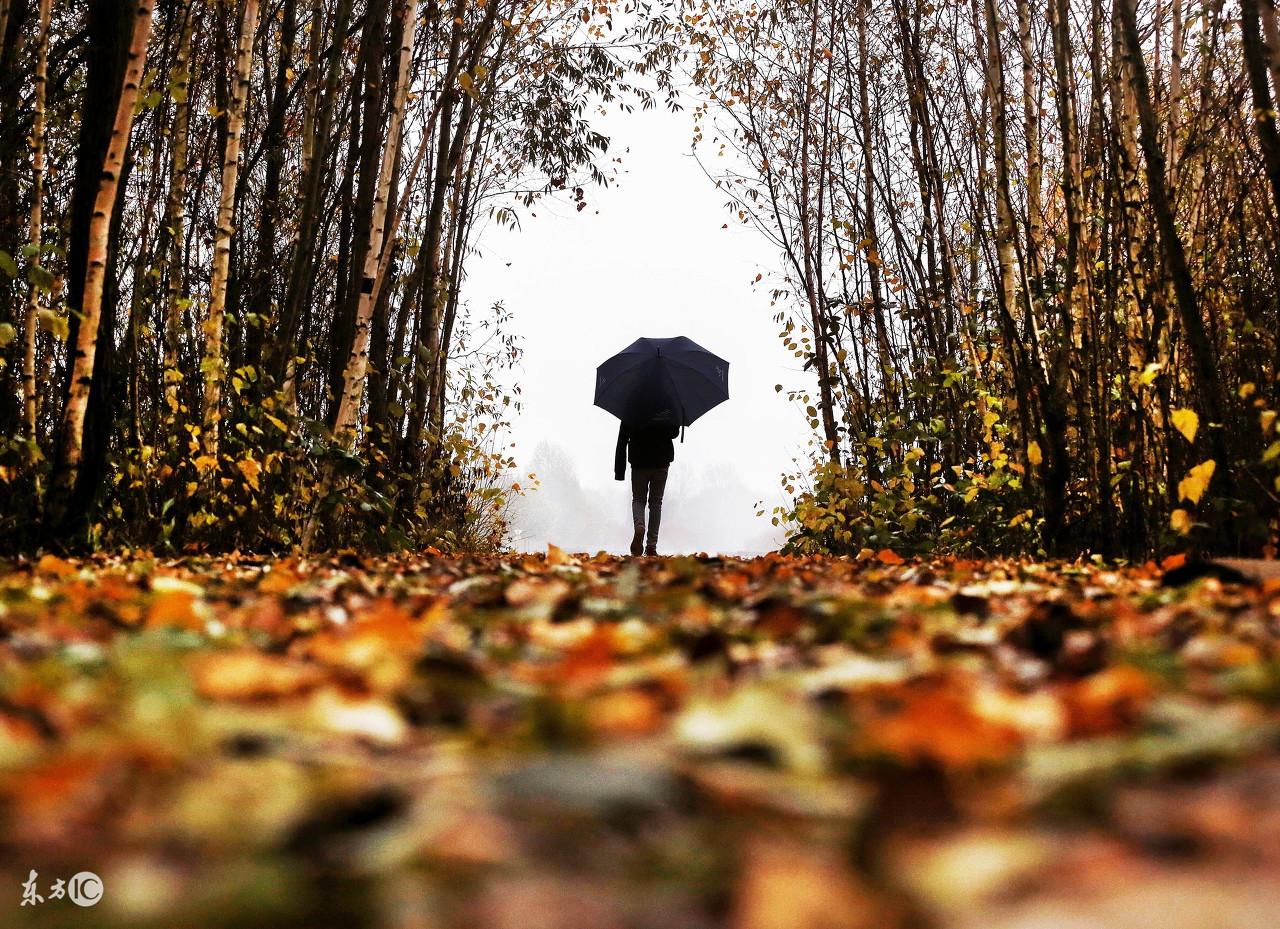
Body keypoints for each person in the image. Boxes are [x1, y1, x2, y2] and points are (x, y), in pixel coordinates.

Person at [614, 414, 680, 556]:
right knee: (656, 503)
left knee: (638, 499)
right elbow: (674, 432)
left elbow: (623, 438)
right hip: (661, 461)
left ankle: (639, 525)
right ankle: (651, 546)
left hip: (639, 462)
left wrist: (619, 471)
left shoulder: (632, 404)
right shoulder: (667, 402)